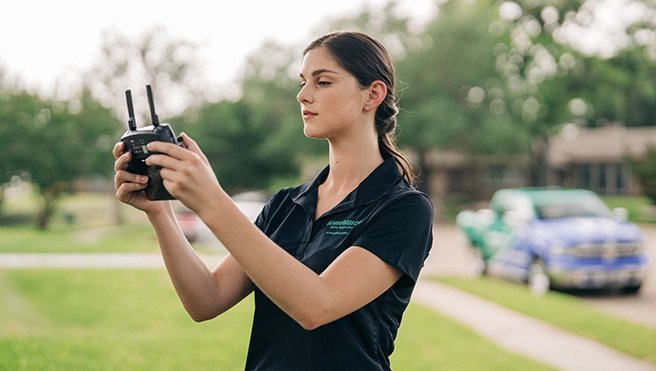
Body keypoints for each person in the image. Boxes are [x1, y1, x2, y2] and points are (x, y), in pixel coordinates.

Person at [113, 30, 433, 371]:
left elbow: (317, 305)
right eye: (302, 82)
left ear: (373, 95)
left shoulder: (404, 209)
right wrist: (160, 212)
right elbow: (206, 300)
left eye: (322, 82)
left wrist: (212, 201)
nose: (303, 96)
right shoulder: (285, 205)